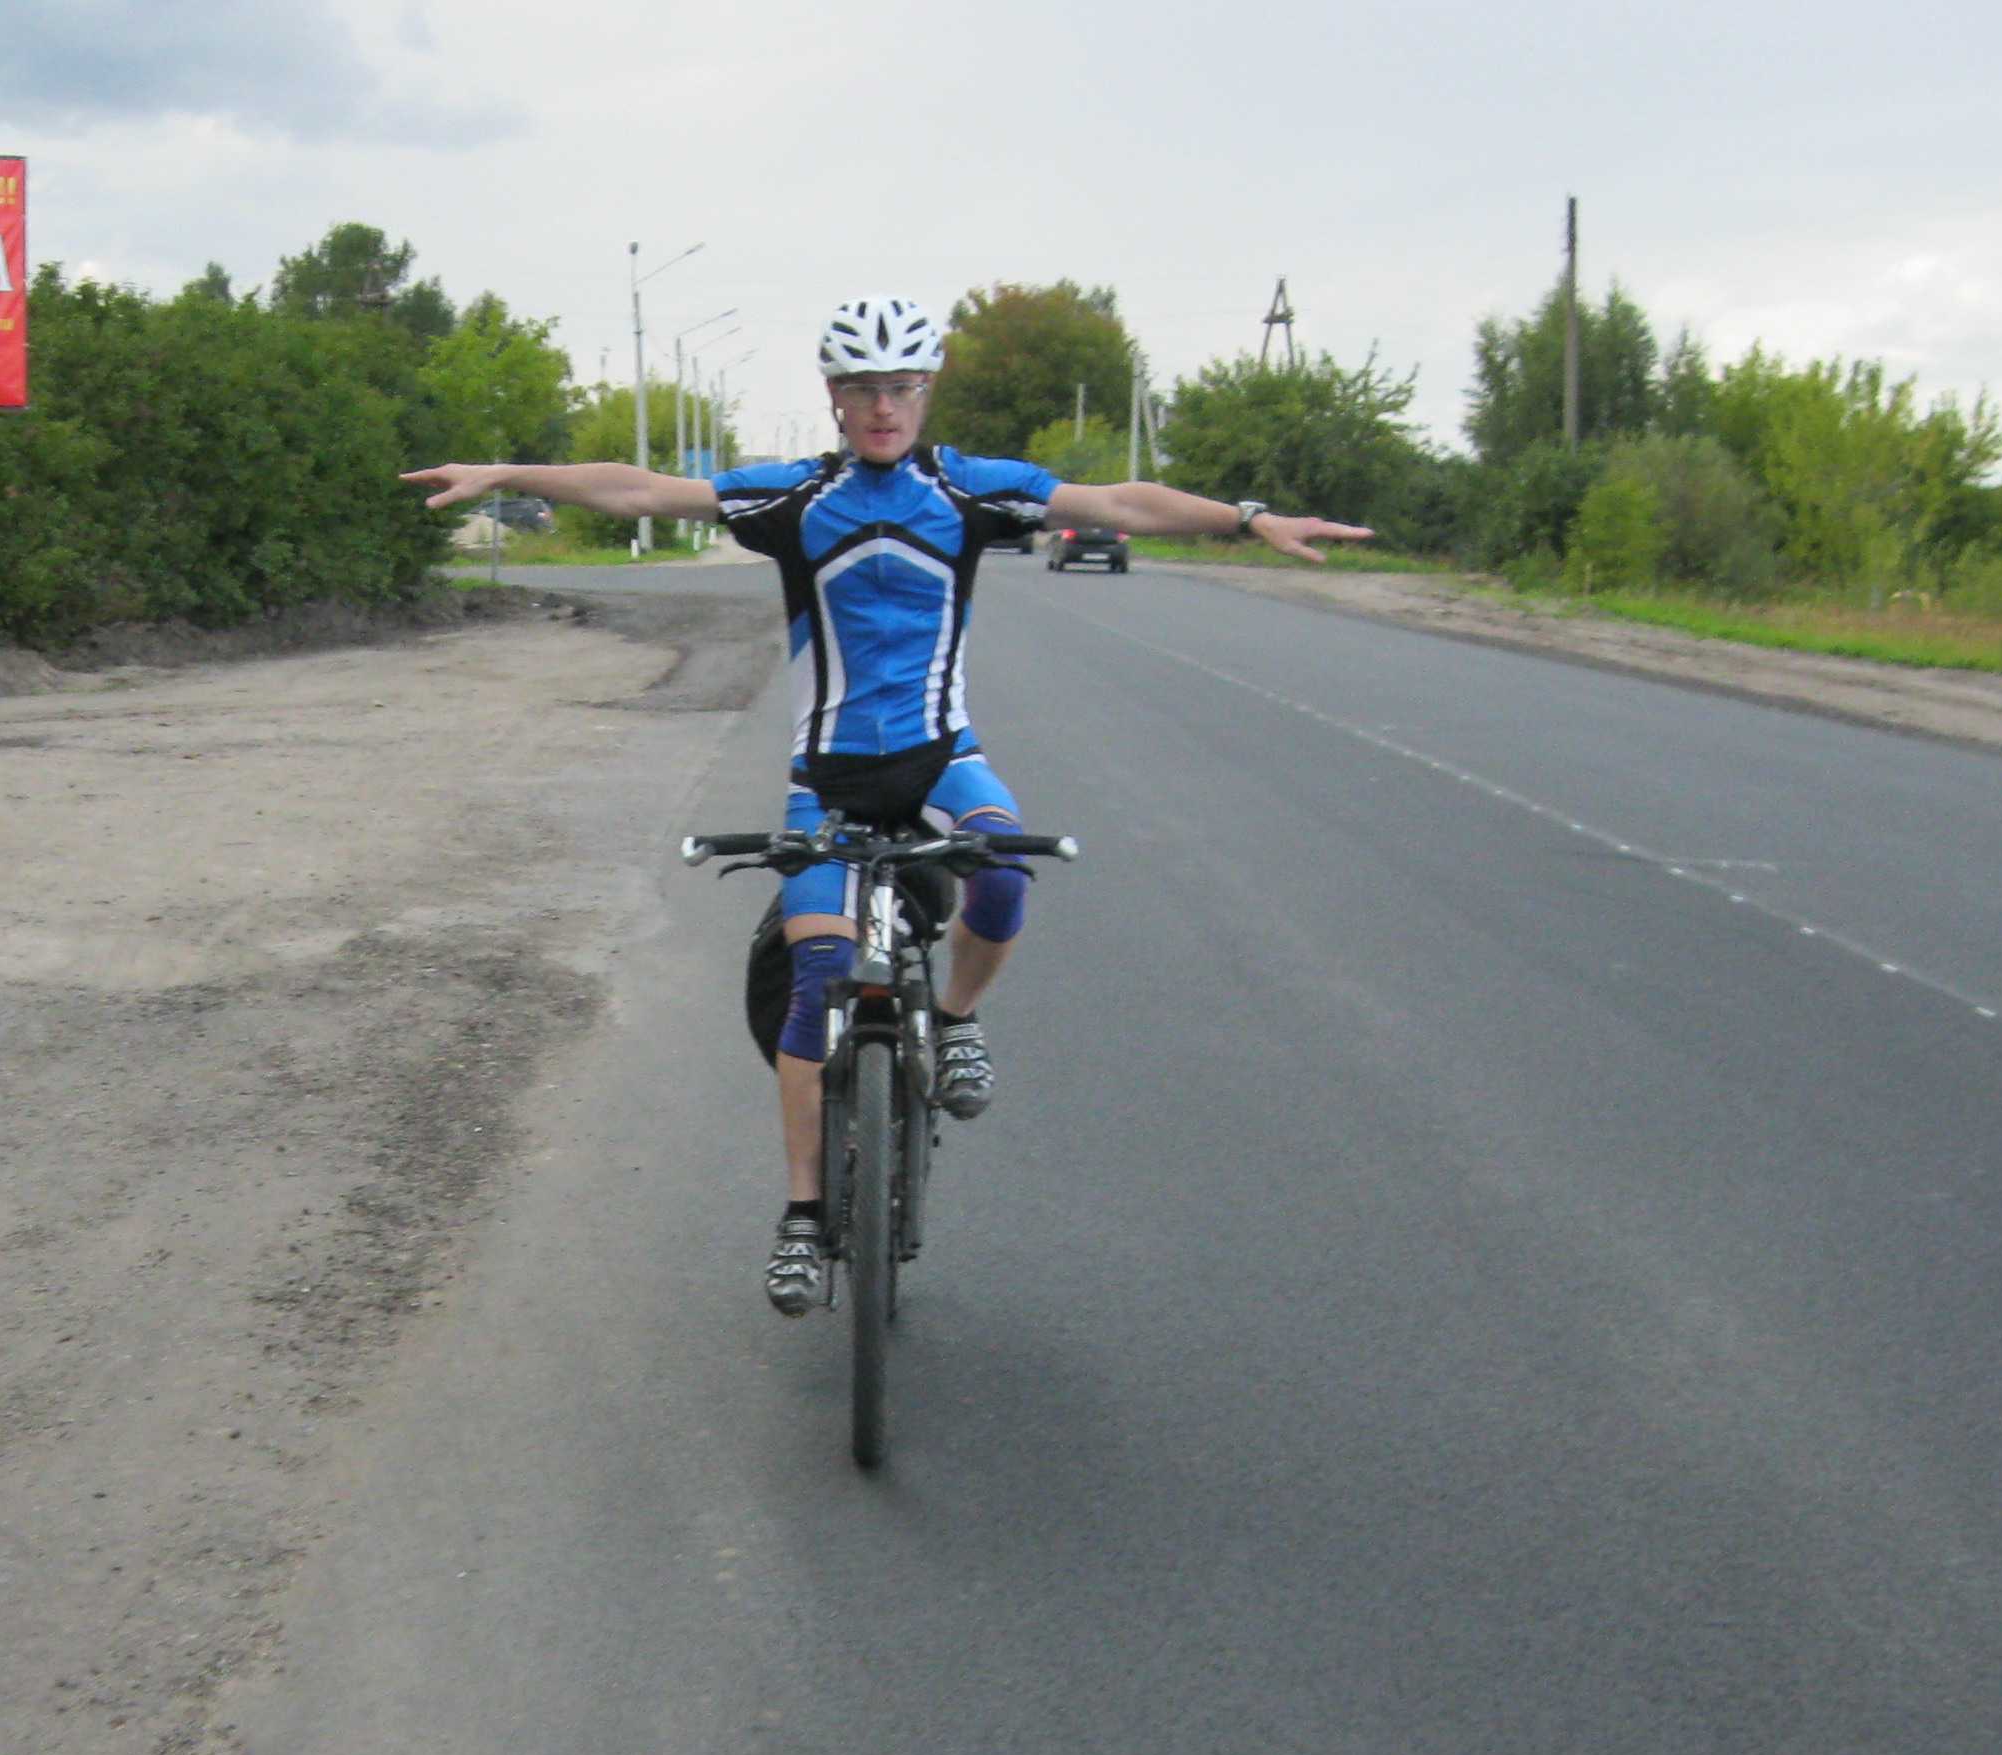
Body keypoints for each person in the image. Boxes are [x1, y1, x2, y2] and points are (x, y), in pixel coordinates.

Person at [402, 295, 1371, 1315]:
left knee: (1003, 867)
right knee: (818, 974)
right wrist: (508, 473)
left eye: (902, 386)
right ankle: (801, 1215)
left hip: (941, 759)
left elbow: (1121, 502)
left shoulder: (970, 488)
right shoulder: (793, 496)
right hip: (826, 779)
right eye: (863, 387)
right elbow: (640, 486)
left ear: (927, 391)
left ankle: (956, 1019)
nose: (883, 407)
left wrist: (1247, 517)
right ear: (833, 394)